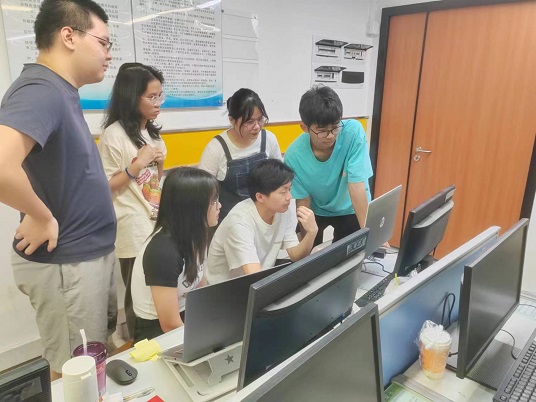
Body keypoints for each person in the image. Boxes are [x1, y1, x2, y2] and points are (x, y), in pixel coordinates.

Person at [0, 0, 116, 379]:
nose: (108, 54)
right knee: (74, 374)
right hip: (67, 264)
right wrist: (40, 215)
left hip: (82, 259)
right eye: (103, 43)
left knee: (89, 363)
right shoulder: (41, 90)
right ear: (69, 36)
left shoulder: (60, 90)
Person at [130, 167, 220, 341]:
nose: (219, 206)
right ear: (193, 207)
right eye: (214, 201)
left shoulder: (197, 233)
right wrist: (206, 338)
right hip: (157, 332)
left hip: (185, 314)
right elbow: (169, 325)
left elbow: (200, 287)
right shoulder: (162, 251)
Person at [98, 63, 167, 286]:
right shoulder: (113, 135)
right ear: (132, 98)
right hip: (132, 227)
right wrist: (137, 165)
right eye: (152, 97)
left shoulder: (153, 134)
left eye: (160, 96)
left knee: (157, 291)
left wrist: (159, 163)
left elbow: (154, 182)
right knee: (136, 293)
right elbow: (105, 186)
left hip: (155, 222)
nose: (158, 103)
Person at [284, 85, 373, 247]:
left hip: (350, 207)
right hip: (316, 209)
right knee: (309, 255)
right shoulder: (294, 155)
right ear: (305, 128)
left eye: (335, 127)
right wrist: (305, 244)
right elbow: (303, 201)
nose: (330, 135)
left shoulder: (353, 133)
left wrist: (369, 232)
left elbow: (356, 185)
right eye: (322, 131)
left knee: (350, 254)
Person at [207, 159, 318, 285]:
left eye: (289, 189)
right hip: (227, 289)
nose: (289, 197)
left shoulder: (281, 210)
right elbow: (255, 277)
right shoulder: (239, 222)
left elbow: (295, 255)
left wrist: (312, 232)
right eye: (283, 191)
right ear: (260, 197)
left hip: (259, 279)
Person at [198, 88, 282, 221]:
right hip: (229, 221)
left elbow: (279, 178)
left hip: (263, 218)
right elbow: (203, 193)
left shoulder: (268, 139)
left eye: (260, 119)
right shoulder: (216, 148)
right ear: (232, 120)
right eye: (249, 122)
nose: (257, 126)